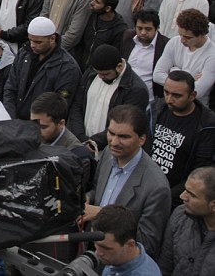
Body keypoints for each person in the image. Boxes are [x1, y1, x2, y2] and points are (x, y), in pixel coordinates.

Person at [84, 105, 171, 258]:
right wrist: (87, 198)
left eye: (124, 137)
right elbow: (97, 188)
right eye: (111, 133)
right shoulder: (107, 154)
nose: (114, 142)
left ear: (142, 139)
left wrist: (101, 213)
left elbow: (147, 244)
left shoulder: (157, 187)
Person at [148, 71, 215, 208]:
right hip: (146, 186)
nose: (169, 99)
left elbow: (200, 169)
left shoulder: (206, 125)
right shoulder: (157, 110)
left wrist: (168, 196)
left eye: (177, 95)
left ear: (192, 96)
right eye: (166, 92)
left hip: (176, 199)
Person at [3, 17, 82, 120]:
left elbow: (59, 106)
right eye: (30, 40)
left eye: (38, 42)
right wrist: (11, 119)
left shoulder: (67, 67)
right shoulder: (23, 54)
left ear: (52, 39)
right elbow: (10, 88)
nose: (32, 45)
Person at [69, 45, 150, 144]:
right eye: (98, 73)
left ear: (119, 67)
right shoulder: (91, 74)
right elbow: (77, 105)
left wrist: (94, 143)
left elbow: (125, 124)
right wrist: (80, 136)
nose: (100, 77)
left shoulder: (136, 90)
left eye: (105, 74)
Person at [159, 166, 215, 276]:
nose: (182, 196)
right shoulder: (179, 215)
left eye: (192, 195)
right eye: (185, 190)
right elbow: (164, 266)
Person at [152, 8, 215, 103]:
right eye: (180, 35)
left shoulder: (212, 54)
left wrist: (173, 71)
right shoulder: (174, 42)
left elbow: (199, 91)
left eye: (187, 37)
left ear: (202, 35)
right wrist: (190, 78)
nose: (182, 40)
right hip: (168, 104)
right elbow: (157, 75)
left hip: (196, 108)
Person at [91, 205, 163, 276]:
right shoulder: (117, 259)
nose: (98, 252)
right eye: (96, 244)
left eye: (106, 248)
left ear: (130, 245)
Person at [125, 10, 169, 101]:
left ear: (157, 28)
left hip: (150, 100)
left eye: (148, 29)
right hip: (126, 95)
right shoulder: (127, 38)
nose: (143, 32)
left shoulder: (165, 45)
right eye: (139, 28)